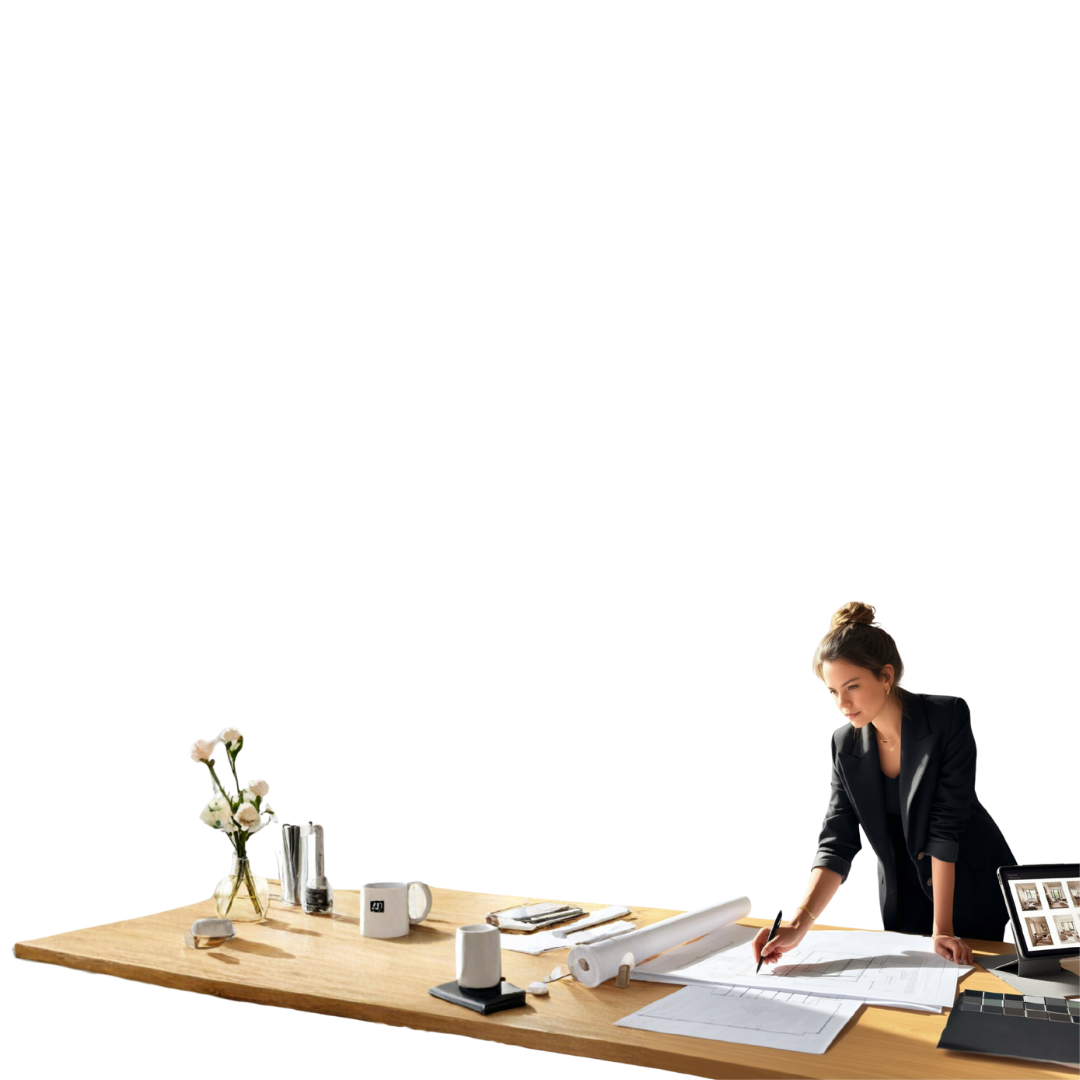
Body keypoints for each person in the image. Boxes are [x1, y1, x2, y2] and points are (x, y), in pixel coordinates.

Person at [753, 600, 1019, 968]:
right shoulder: (845, 744)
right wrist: (797, 925)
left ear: (886, 676)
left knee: (968, 981)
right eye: (834, 691)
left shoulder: (946, 718)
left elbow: (946, 827)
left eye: (852, 687)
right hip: (902, 891)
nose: (843, 703)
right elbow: (837, 840)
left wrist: (943, 928)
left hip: (965, 882)